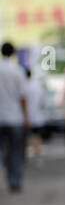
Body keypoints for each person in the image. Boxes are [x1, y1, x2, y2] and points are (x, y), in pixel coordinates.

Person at [0, 42, 29, 192]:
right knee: (16, 151)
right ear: (13, 54)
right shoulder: (17, 71)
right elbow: (22, 97)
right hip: (15, 118)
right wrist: (26, 117)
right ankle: (15, 181)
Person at [24, 69, 45, 165]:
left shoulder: (22, 86)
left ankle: (24, 157)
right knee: (37, 137)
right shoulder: (37, 86)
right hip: (37, 116)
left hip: (25, 117)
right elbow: (42, 102)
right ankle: (37, 156)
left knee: (25, 138)